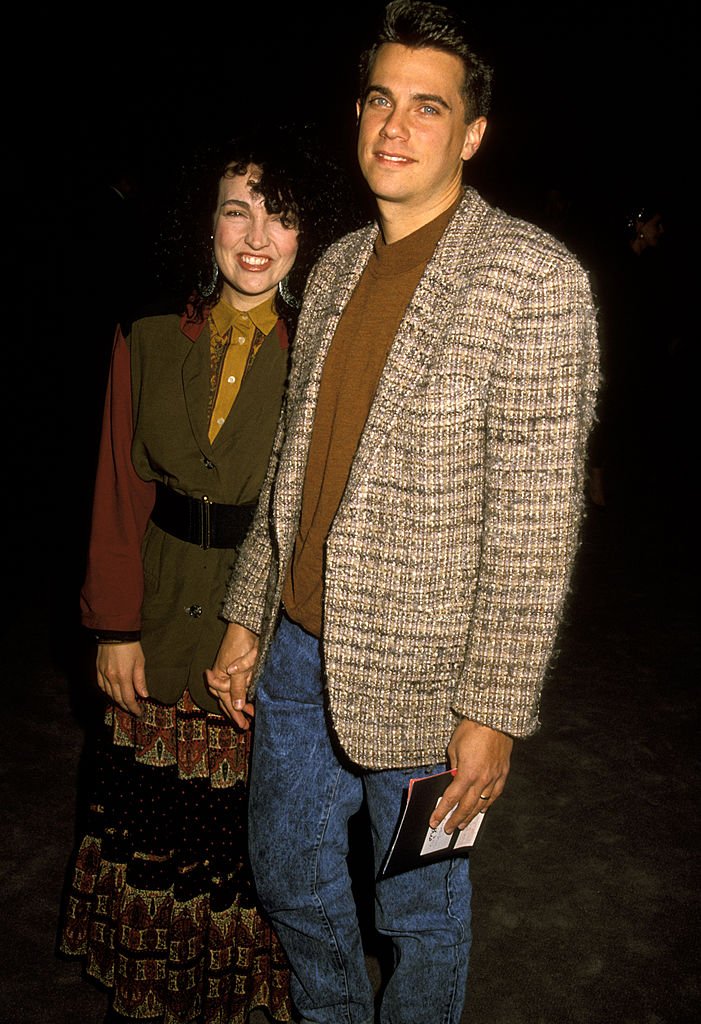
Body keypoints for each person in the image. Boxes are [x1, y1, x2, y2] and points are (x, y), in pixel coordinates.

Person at [207, 4, 600, 1023]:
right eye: (380, 99)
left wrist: (493, 707)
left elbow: (533, 525)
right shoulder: (333, 265)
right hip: (298, 652)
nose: (394, 126)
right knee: (287, 875)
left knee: (419, 909)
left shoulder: (533, 280)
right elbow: (297, 466)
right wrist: (249, 613)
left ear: (470, 134)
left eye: (427, 107)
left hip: (432, 681)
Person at [59, 128, 359, 1024]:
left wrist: (273, 632)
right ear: (205, 227)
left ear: (312, 236)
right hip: (154, 616)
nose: (258, 235)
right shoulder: (146, 336)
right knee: (149, 831)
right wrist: (114, 625)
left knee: (254, 850)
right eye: (237, 210)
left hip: (262, 634)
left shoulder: (324, 355)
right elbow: (119, 487)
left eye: (281, 215)